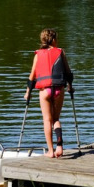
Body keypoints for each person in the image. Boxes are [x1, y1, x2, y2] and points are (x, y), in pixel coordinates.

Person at [24, 28, 73, 158]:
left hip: (44, 90)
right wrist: (70, 86)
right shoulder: (61, 52)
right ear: (54, 40)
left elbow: (32, 75)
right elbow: (68, 72)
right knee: (56, 119)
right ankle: (60, 146)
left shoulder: (38, 54)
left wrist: (28, 92)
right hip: (58, 89)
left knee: (47, 120)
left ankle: (50, 151)